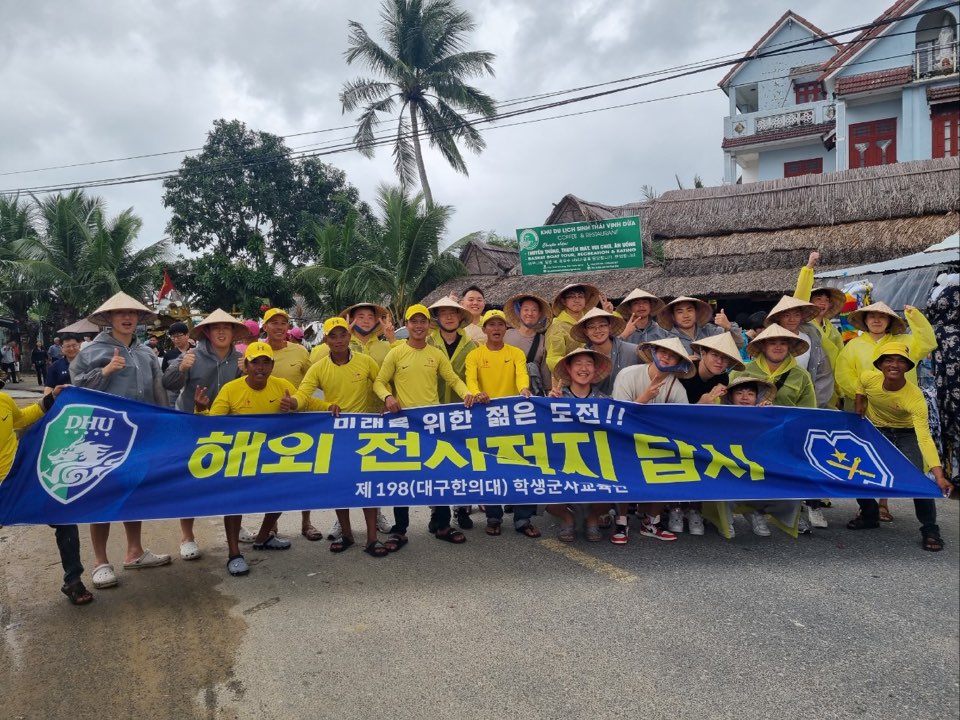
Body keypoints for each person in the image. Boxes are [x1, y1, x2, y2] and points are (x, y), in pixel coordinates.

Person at [70, 291, 171, 589]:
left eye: (132, 314)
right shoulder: (91, 352)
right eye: (120, 314)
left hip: (140, 433)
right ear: (109, 319)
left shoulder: (146, 353)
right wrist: (105, 371)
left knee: (133, 491)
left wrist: (165, 420)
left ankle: (135, 551)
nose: (127, 318)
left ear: (139, 319)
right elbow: (77, 390)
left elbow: (157, 387)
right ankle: (101, 562)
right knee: (101, 493)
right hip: (104, 434)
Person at [373, 304, 479, 549]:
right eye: (414, 322)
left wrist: (467, 394)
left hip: (432, 423)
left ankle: (441, 524)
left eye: (423, 322)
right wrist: (388, 398)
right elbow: (380, 382)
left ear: (428, 325)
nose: (418, 326)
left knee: (437, 474)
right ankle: (400, 530)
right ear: (407, 325)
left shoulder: (436, 354)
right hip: (404, 423)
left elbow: (452, 379)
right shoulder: (396, 353)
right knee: (403, 477)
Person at [281, 317, 386, 557]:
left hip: (364, 433)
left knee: (367, 486)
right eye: (333, 336)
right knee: (341, 486)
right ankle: (347, 534)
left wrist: (387, 398)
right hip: (335, 433)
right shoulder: (319, 367)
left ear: (349, 337)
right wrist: (293, 403)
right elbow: (304, 395)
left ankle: (372, 538)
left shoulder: (365, 361)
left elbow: (381, 383)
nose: (338, 340)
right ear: (325, 340)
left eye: (342, 335)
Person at [194, 342, 299, 576]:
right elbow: (213, 424)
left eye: (265, 362)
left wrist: (326, 407)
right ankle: (234, 554)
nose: (260, 367)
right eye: (255, 362)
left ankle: (263, 537)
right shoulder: (231, 389)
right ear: (246, 366)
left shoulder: (283, 386)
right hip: (240, 457)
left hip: (274, 456)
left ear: (272, 365)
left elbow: (308, 404)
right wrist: (201, 409)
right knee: (235, 503)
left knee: (285, 493)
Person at [163, 309, 252, 560]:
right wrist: (180, 367)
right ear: (207, 332)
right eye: (216, 328)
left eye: (227, 327)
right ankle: (187, 536)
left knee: (232, 480)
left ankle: (237, 525)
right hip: (192, 425)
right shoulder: (191, 356)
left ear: (234, 333)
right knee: (189, 481)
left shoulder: (240, 359)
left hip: (227, 427)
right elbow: (167, 384)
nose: (222, 332)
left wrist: (247, 373)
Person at [847, 343, 953, 552]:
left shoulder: (914, 397)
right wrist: (859, 401)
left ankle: (930, 529)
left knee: (917, 479)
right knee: (856, 470)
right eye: (888, 360)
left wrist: (939, 475)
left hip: (907, 433)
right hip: (876, 429)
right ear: (879, 365)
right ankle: (869, 514)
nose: (894, 365)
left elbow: (924, 438)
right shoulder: (870, 378)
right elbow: (861, 383)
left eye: (900, 360)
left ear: (907, 366)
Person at [1, 381, 90, 604]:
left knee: (63, 516)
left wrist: (50, 399)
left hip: (19, 479)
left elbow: (20, 419)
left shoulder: (3, 400)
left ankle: (73, 581)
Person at [611, 337, 695, 543]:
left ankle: (652, 521)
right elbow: (618, 416)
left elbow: (680, 422)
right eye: (662, 352)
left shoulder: (677, 388)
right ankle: (621, 521)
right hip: (624, 437)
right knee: (621, 467)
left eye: (672, 355)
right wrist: (644, 398)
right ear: (654, 352)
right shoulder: (628, 374)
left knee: (670, 463)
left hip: (658, 441)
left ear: (678, 361)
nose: (666, 357)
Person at [464, 309, 539, 538]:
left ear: (506, 329)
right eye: (491, 325)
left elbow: (521, 377)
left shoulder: (515, 353)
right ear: (484, 329)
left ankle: (523, 518)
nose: (496, 329)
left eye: (500, 325)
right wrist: (477, 394)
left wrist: (524, 390)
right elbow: (471, 380)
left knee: (521, 466)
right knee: (490, 468)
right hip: (485, 418)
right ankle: (493, 516)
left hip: (514, 418)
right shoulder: (474, 356)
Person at [700, 377, 803, 539]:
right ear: (731, 398)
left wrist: (771, 415)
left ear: (757, 397)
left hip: (758, 469)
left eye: (750, 393)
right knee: (719, 481)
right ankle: (724, 521)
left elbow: (781, 440)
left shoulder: (764, 414)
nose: (745, 397)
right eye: (739, 393)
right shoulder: (720, 415)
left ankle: (756, 512)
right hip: (729, 469)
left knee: (791, 487)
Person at [260, 307, 319, 541]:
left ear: (287, 327)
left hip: (300, 421)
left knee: (306, 473)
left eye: (282, 323)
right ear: (264, 327)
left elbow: (314, 379)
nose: (278, 327)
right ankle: (271, 525)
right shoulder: (259, 352)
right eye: (273, 323)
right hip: (268, 423)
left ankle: (307, 523)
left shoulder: (299, 351)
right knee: (272, 477)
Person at [546, 348, 614, 541]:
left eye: (588, 363)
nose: (583, 368)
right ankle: (568, 518)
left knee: (618, 485)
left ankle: (592, 517)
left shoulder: (605, 401)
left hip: (596, 463)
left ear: (595, 369)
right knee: (542, 486)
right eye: (578, 363)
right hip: (563, 461)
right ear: (568, 369)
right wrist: (549, 404)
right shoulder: (555, 398)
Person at [427, 297, 479, 529]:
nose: (449, 317)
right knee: (436, 463)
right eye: (443, 313)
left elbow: (474, 377)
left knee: (463, 461)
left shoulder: (471, 346)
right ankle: (438, 512)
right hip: (432, 410)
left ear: (460, 317)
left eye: (453, 313)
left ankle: (462, 509)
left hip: (462, 410)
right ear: (437, 319)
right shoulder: (426, 342)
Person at [835, 301, 936, 407]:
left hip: (900, 407)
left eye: (882, 317)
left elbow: (928, 343)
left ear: (889, 321)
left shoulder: (905, 342)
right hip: (865, 407)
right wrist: (867, 392)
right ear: (865, 320)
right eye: (872, 316)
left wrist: (915, 317)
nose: (876, 320)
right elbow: (844, 374)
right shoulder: (853, 345)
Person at [764, 295, 833, 408]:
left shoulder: (810, 340)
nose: (792, 319)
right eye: (787, 315)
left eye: (796, 315)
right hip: (771, 399)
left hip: (803, 396)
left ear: (802, 317)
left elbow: (823, 373)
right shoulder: (767, 340)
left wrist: (815, 403)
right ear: (778, 317)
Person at [570, 307, 637, 395]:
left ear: (610, 327)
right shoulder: (582, 358)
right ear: (585, 331)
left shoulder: (633, 351)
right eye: (591, 327)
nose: (597, 330)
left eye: (602, 325)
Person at [309, 302, 397, 369]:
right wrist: (343, 335)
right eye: (361, 317)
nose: (366, 321)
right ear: (351, 319)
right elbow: (314, 360)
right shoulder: (342, 345)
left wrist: (392, 339)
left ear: (376, 321)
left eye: (370, 317)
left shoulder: (386, 346)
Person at [657, 296, 742, 355]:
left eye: (689, 310)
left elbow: (738, 344)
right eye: (680, 312)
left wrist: (728, 327)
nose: (686, 315)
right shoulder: (668, 339)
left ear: (696, 313)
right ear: (673, 317)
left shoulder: (710, 331)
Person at [503, 293, 552, 395]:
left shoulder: (543, 340)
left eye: (534, 310)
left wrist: (548, 392)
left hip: (532, 394)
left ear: (539, 315)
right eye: (526, 309)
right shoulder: (505, 336)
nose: (530, 313)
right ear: (519, 312)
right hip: (507, 393)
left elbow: (545, 372)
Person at [546, 283, 600, 371]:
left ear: (585, 300)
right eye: (571, 296)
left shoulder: (591, 320)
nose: (577, 300)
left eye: (580, 296)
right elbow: (553, 358)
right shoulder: (557, 326)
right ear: (564, 301)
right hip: (569, 375)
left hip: (595, 370)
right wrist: (573, 366)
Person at [161, 321, 193, 406]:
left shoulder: (196, 351)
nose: (175, 339)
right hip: (173, 397)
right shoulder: (168, 355)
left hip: (192, 395)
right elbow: (164, 376)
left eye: (178, 336)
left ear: (187, 335)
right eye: (172, 337)